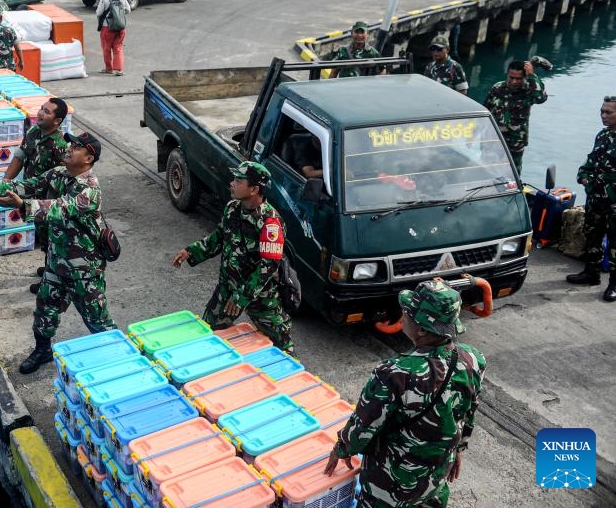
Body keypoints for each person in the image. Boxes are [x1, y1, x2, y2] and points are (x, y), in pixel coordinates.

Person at [325, 280, 486, 508]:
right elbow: (468, 412)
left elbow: (363, 428)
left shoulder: (394, 373)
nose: (403, 315)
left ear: (421, 329)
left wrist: (341, 448)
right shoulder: (473, 359)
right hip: (436, 475)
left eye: (407, 312)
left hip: (391, 485)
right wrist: (458, 449)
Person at [0, 132, 117, 374]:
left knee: (98, 321)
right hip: (57, 264)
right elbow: (28, 185)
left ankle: (119, 359)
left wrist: (22, 205)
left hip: (83, 270)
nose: (69, 147)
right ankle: (43, 350)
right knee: (44, 311)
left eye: (77, 146)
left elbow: (58, 209)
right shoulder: (58, 173)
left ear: (89, 158)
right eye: (71, 143)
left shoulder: (89, 190)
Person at [171, 161, 294, 353]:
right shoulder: (232, 208)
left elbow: (268, 266)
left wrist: (240, 298)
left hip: (258, 296)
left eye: (238, 180)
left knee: (281, 343)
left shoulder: (270, 223)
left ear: (254, 189)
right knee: (208, 333)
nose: (232, 183)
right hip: (227, 287)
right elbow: (220, 236)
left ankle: (290, 377)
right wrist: (191, 251)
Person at [3, 97, 71, 293]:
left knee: (52, 240)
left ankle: (52, 282)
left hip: (49, 202)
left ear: (57, 121)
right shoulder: (34, 132)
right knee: (43, 236)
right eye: (42, 109)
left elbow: (66, 177)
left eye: (47, 112)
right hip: (32, 196)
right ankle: (50, 269)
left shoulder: (59, 146)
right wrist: (7, 184)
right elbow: (20, 156)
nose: (41, 113)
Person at [566, 96, 616, 301]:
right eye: (602, 111)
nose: (603, 116)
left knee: (615, 243)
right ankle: (591, 273)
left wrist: (600, 180)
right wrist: (584, 176)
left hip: (613, 203)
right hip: (595, 199)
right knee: (592, 235)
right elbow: (589, 162)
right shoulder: (603, 135)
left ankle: (614, 283)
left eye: (609, 112)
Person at [483, 60, 548, 174]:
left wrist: (532, 75)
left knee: (512, 173)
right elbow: (485, 111)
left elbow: (540, 98)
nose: (514, 81)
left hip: (515, 141)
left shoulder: (529, 91)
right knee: (487, 169)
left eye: (518, 79)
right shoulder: (497, 88)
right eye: (511, 77)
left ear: (524, 77)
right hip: (493, 138)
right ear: (507, 74)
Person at [95, 0, 131, 76]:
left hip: (107, 28)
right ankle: (119, 70)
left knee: (106, 48)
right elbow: (128, 10)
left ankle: (109, 69)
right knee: (118, 48)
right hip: (120, 28)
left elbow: (98, 13)